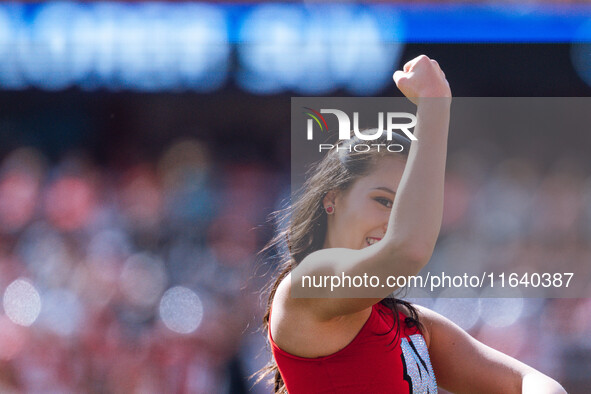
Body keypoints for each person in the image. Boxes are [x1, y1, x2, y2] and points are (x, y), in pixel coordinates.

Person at [256, 55, 566, 393]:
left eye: (404, 206)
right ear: (333, 199)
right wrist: (434, 106)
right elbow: (408, 249)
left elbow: (529, 382)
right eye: (383, 201)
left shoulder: (410, 323)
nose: (394, 220)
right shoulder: (306, 284)